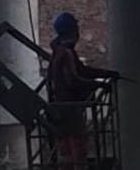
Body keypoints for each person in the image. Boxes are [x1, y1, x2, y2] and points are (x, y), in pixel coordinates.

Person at [47, 12, 117, 168]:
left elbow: (82, 70)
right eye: (75, 28)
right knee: (76, 146)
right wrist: (98, 85)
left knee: (68, 147)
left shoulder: (62, 51)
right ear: (71, 31)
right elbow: (73, 80)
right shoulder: (64, 53)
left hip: (63, 106)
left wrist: (106, 74)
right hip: (69, 107)